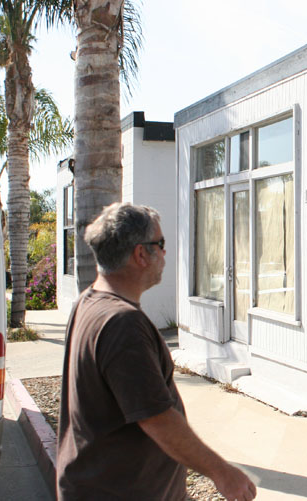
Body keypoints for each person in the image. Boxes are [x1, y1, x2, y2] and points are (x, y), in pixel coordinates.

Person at [56, 202, 257, 501]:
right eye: (160, 244)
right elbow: (156, 418)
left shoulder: (88, 301)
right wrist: (222, 473)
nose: (165, 253)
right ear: (141, 254)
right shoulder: (122, 323)